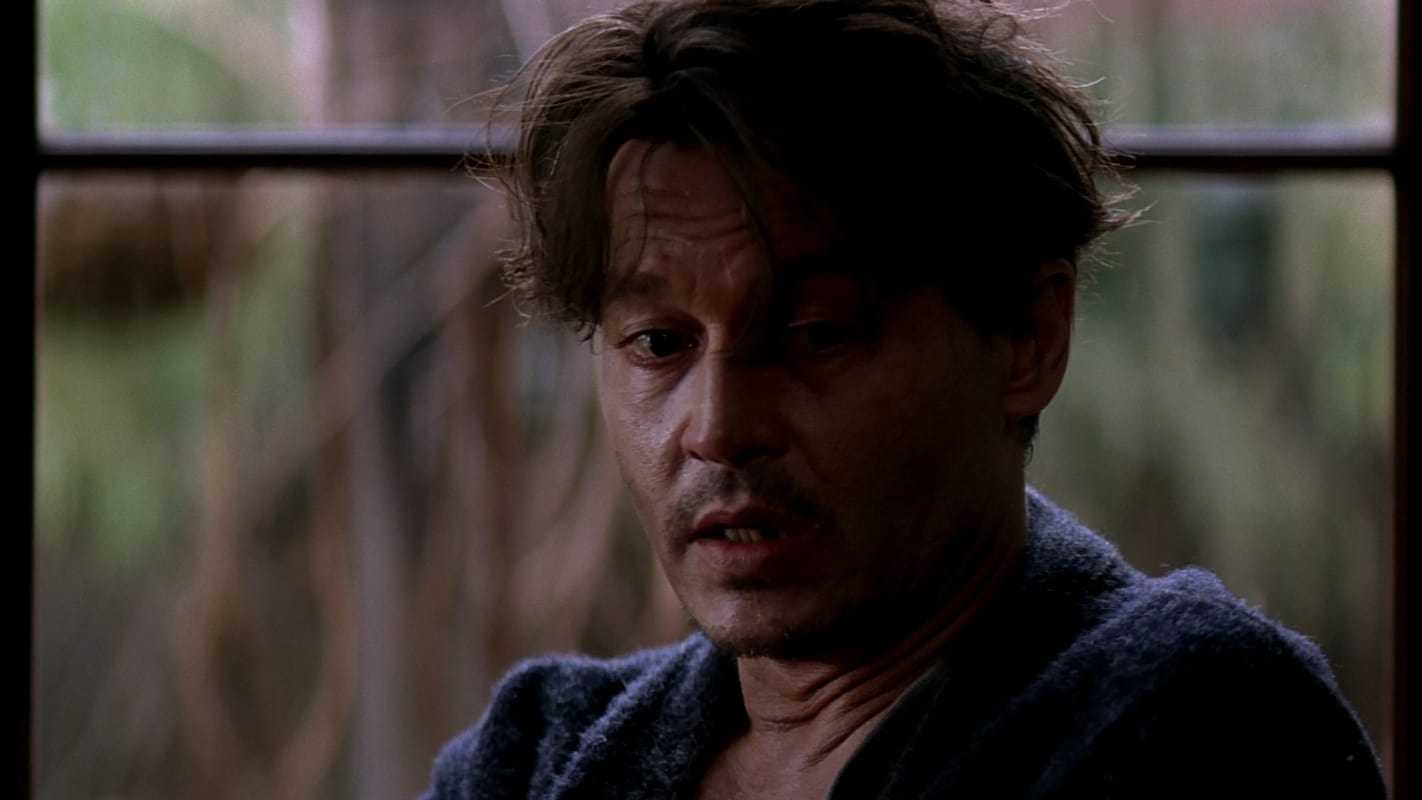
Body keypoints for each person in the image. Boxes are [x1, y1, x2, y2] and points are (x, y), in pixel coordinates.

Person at [424, 0, 1385, 796]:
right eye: (660, 344)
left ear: (1028, 339)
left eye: (816, 335)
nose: (718, 427)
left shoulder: (1192, 721)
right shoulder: (535, 754)